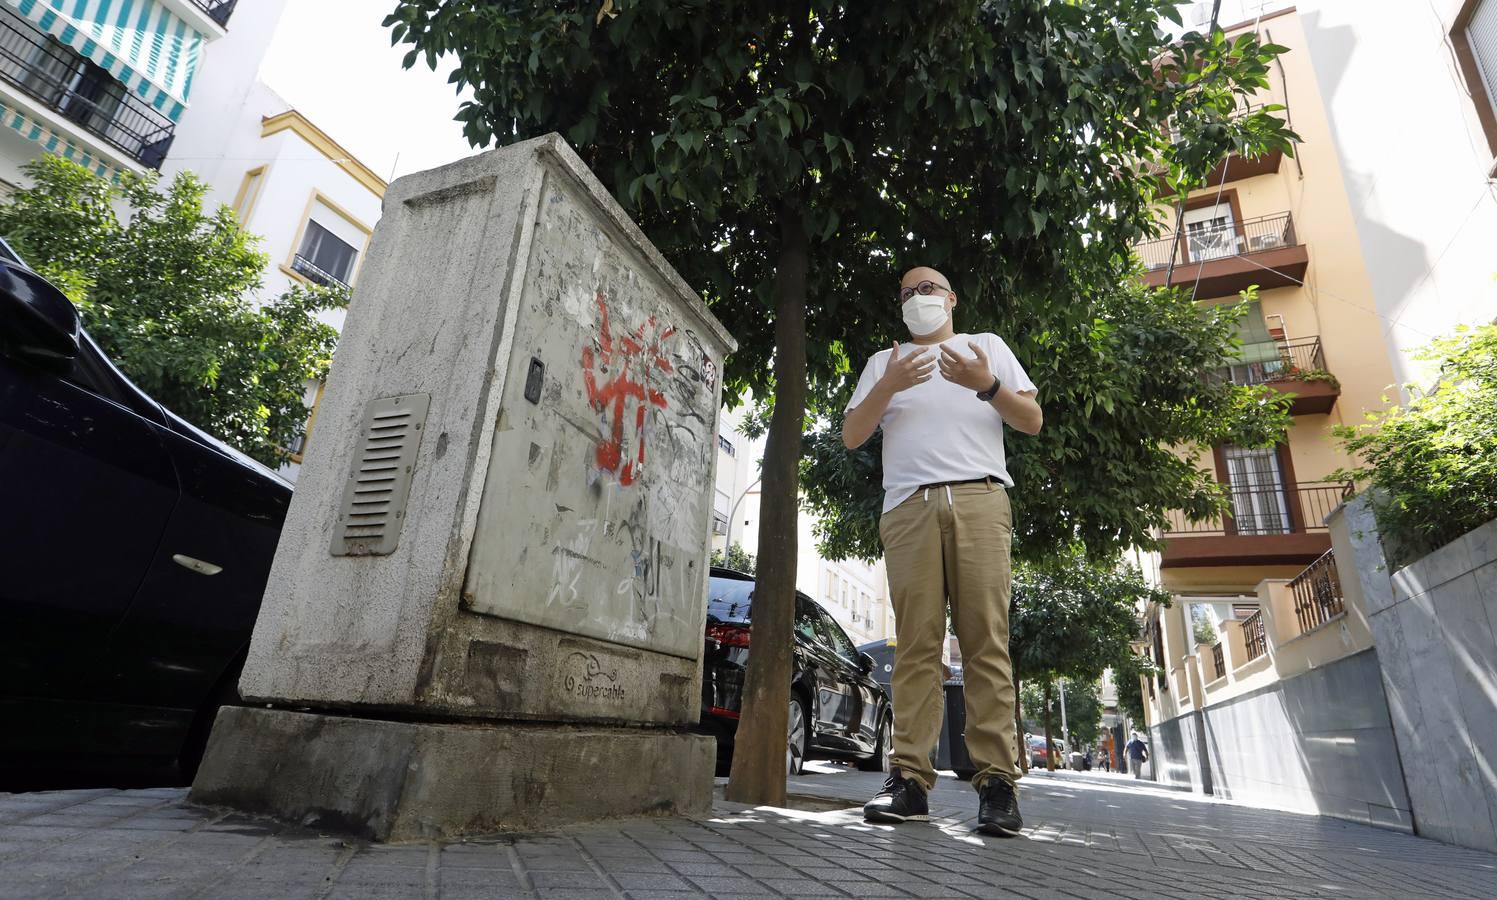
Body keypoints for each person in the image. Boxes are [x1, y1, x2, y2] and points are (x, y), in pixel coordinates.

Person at [844, 267, 1042, 837]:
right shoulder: (886, 362)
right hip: (908, 507)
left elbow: (1030, 420)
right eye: (906, 293)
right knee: (917, 647)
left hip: (981, 498)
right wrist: (888, 386)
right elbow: (852, 435)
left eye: (927, 288)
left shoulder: (988, 348)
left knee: (985, 639)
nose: (916, 298)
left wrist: (987, 383)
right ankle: (908, 781)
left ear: (952, 297)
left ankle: (997, 786)